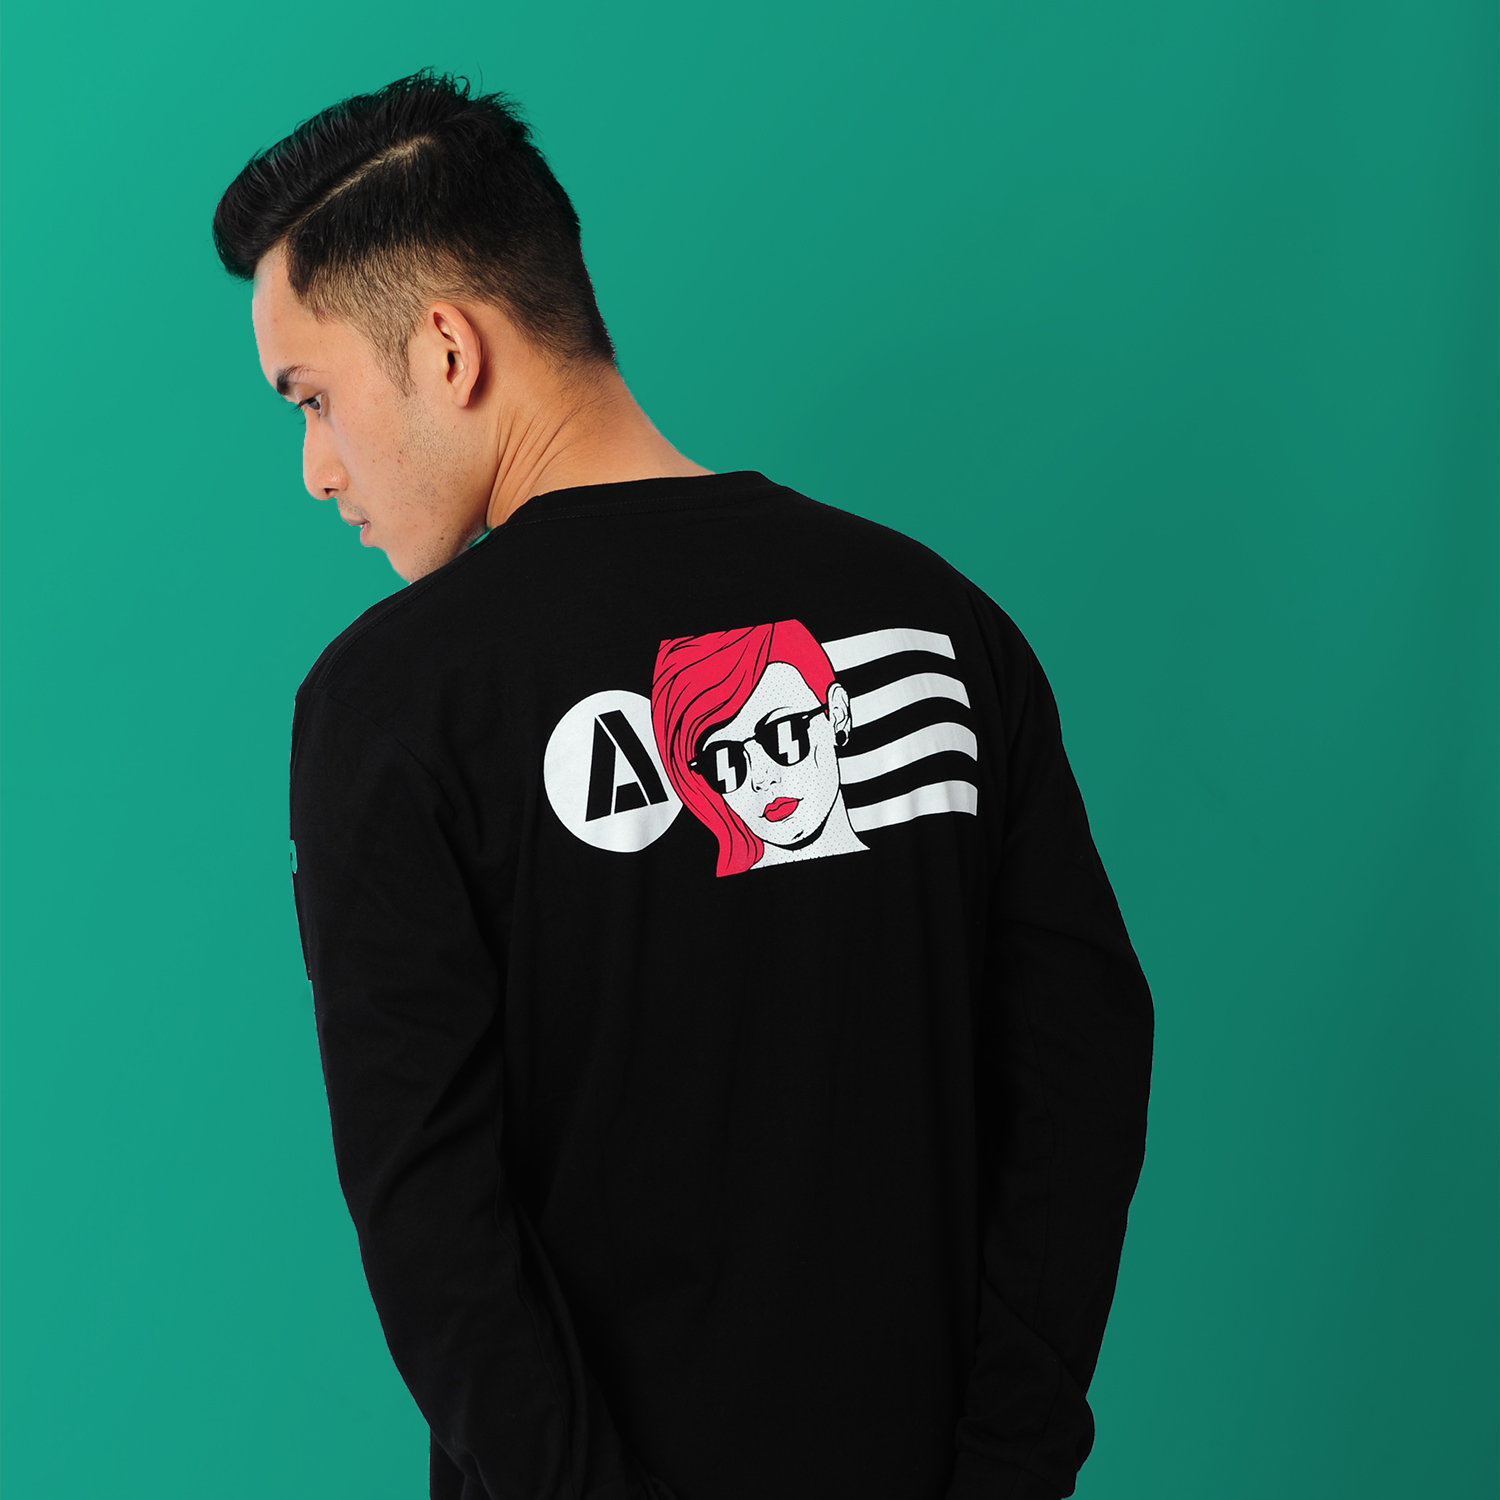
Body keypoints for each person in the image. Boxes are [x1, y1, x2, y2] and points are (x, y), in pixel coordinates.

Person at [214, 70, 1154, 1500]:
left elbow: (433, 1223)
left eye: (316, 399)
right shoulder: (940, 624)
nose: (314, 469)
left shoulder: (392, 704)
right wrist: (1004, 1469)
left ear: (448, 349)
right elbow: (1083, 1073)